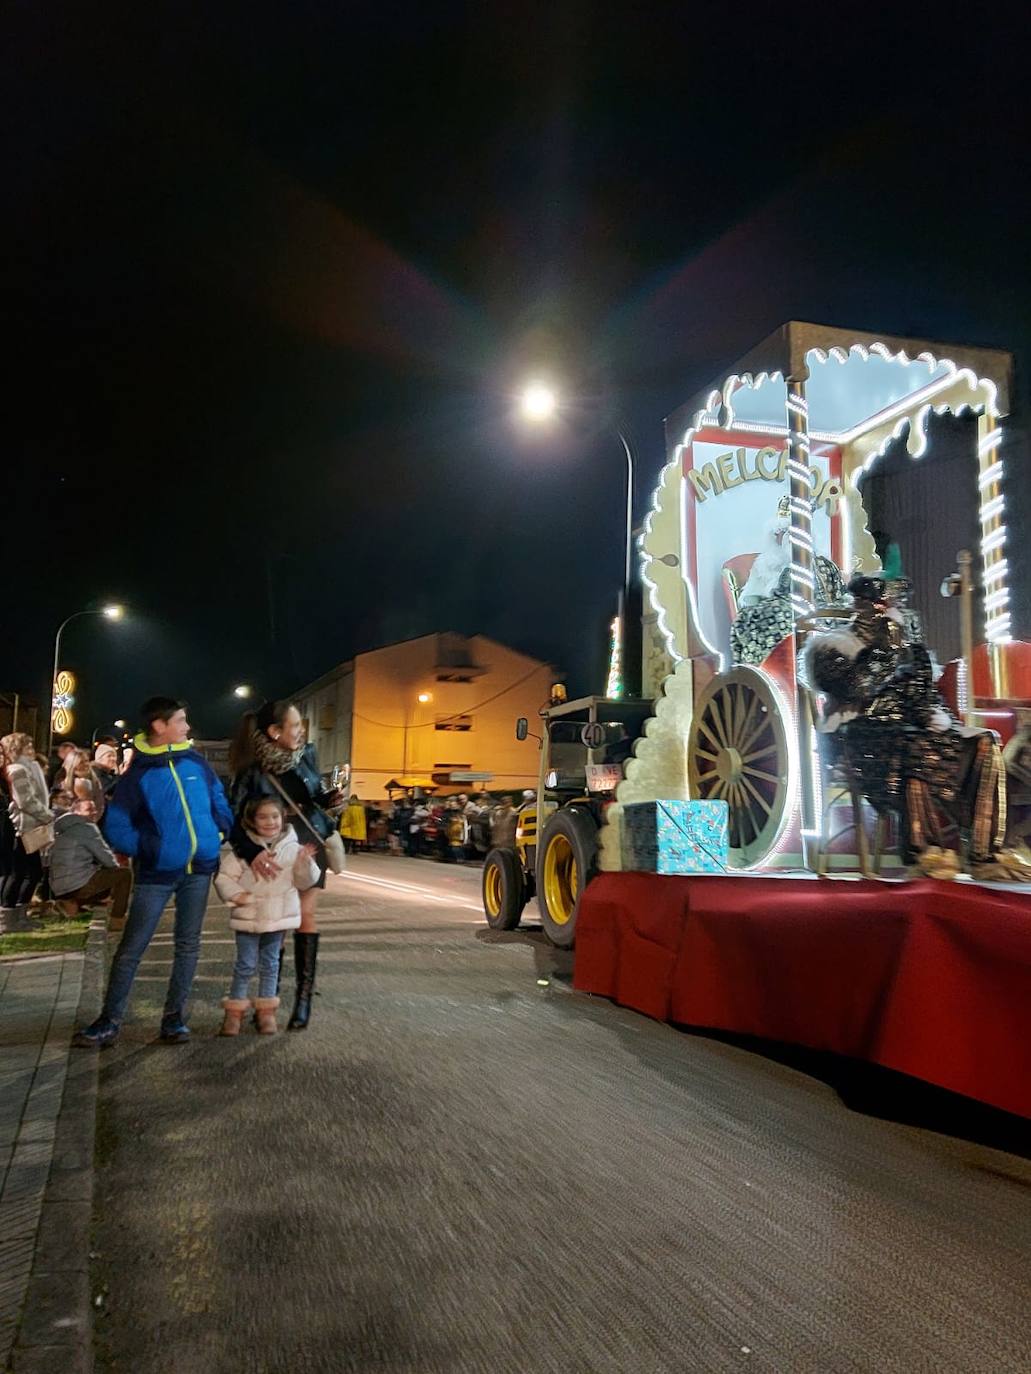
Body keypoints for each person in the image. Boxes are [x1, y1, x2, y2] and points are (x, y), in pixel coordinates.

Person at [801, 577, 1031, 882]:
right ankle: (924, 851)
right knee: (913, 747)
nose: (887, 611)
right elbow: (859, 686)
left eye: (891, 604)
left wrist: (936, 714)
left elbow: (924, 696)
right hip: (858, 738)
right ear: (858, 605)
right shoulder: (832, 648)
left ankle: (984, 853)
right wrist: (887, 648)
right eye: (879, 604)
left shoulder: (909, 648)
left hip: (910, 732)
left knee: (984, 742)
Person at [72, 697, 234, 1048]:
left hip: (199, 870)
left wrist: (219, 830)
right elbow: (117, 826)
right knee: (132, 948)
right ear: (160, 726)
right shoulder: (139, 776)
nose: (187, 727)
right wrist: (151, 849)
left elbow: (219, 799)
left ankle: (174, 1020)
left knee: (188, 946)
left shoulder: (197, 764)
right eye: (181, 720)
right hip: (157, 875)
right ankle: (109, 1021)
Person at [227, 700, 343, 1031]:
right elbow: (233, 815)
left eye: (300, 725)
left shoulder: (307, 754)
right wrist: (250, 851)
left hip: (306, 840)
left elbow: (313, 793)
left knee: (305, 917)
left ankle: (303, 1001)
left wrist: (327, 799)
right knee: (274, 922)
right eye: (294, 726)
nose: (301, 731)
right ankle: (269, 999)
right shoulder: (251, 764)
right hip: (269, 846)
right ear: (274, 731)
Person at [214, 796, 320, 1036]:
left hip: (278, 918)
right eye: (263, 817)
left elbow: (304, 882)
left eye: (275, 816)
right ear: (252, 821)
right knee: (245, 964)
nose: (270, 822)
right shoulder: (245, 852)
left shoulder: (293, 849)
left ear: (283, 817)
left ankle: (266, 1013)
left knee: (271, 964)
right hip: (249, 916)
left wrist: (304, 863)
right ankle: (234, 1013)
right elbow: (223, 877)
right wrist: (239, 896)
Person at [731, 498, 846, 666]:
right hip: (781, 619)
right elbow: (750, 599)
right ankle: (769, 667)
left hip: (819, 619)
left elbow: (839, 596)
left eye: (789, 533)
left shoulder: (823, 564)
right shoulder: (764, 564)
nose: (785, 538)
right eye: (781, 533)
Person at [50, 796, 132, 925]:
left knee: (102, 875)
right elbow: (107, 859)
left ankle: (70, 902)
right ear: (77, 812)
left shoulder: (61, 828)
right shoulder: (86, 827)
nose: (94, 813)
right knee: (124, 874)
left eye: (95, 809)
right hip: (77, 884)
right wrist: (114, 866)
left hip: (58, 887)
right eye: (89, 810)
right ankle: (117, 918)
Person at [1, 733, 53, 929]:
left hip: (30, 825)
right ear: (16, 748)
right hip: (25, 826)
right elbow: (26, 801)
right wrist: (46, 815)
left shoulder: (27, 768)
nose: (32, 749)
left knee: (29, 872)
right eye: (27, 746)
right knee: (23, 872)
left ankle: (19, 916)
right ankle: (9, 918)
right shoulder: (18, 770)